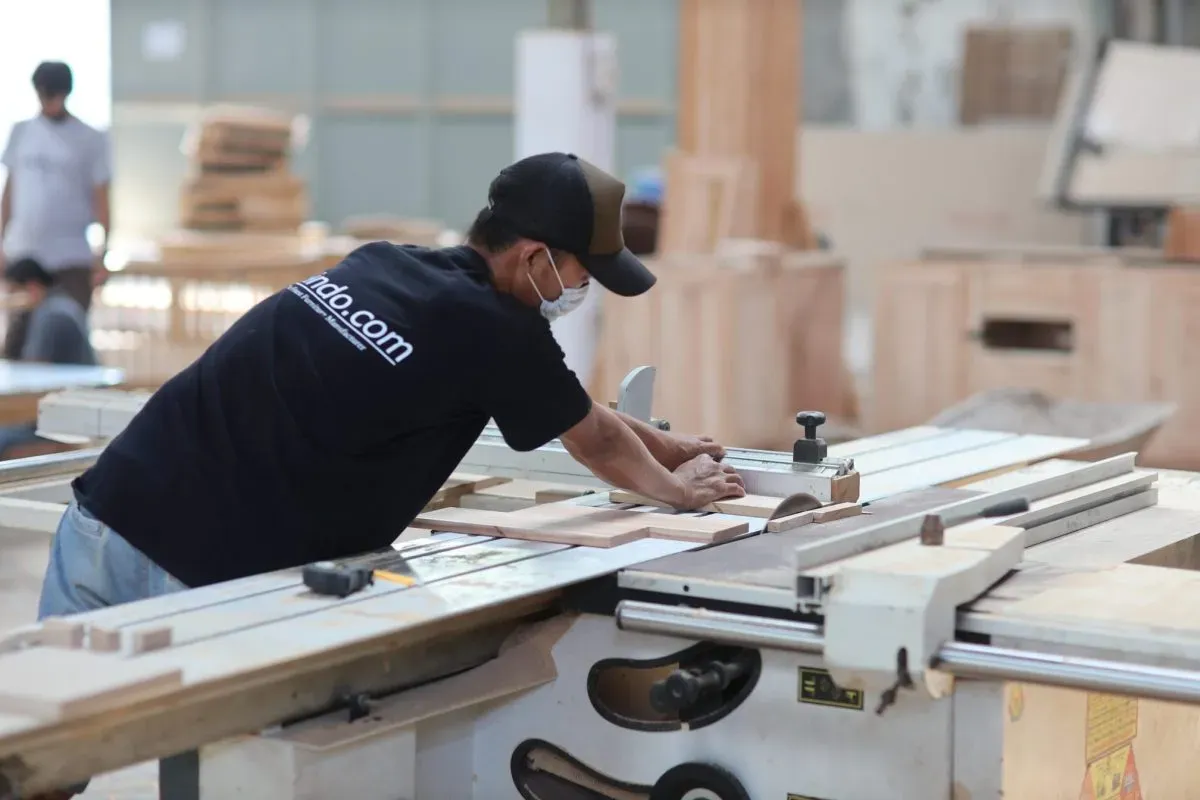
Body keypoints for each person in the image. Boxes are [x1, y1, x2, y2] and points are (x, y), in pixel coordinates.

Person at [36, 152, 746, 623]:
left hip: (107, 514)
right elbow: (591, 438)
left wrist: (669, 444)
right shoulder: (501, 330)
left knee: (39, 759)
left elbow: (578, 411)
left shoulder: (383, 263)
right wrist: (679, 492)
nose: (581, 290)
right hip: (198, 571)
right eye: (581, 275)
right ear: (534, 257)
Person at [1, 60, 111, 358]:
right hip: (26, 256)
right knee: (17, 346)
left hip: (70, 258)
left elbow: (102, 197)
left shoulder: (90, 138)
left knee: (63, 336)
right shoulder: (22, 132)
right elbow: (10, 191)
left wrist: (102, 253)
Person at [0, 257, 97, 457]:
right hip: (68, 413)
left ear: (32, 287)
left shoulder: (52, 314)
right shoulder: (58, 305)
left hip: (63, 422)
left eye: (13, 291)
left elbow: (35, 367)